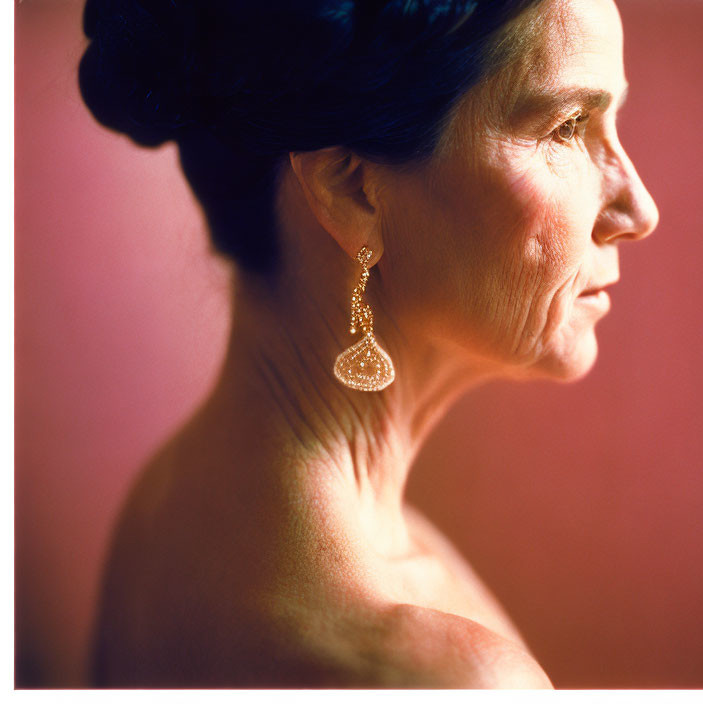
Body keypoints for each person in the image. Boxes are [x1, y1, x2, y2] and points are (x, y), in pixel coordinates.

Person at [80, 0, 658, 688]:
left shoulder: (172, 506)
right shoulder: (444, 680)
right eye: (567, 126)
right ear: (351, 190)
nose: (638, 211)